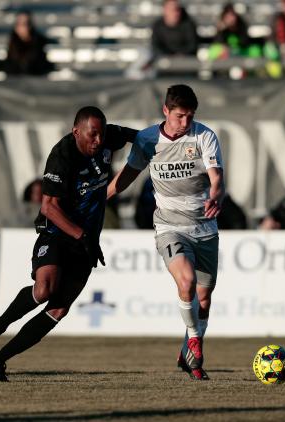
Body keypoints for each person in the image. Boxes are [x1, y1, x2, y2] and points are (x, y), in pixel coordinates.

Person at [0, 107, 137, 381]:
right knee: (45, 289)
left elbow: (139, 137)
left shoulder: (109, 137)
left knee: (59, 309)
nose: (98, 140)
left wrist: (164, 142)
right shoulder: (62, 156)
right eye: (92, 134)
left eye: (101, 134)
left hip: (85, 238)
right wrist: (82, 236)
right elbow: (48, 207)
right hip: (59, 231)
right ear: (76, 132)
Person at [108, 85, 224, 381]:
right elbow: (125, 179)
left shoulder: (204, 135)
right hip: (170, 226)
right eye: (180, 116)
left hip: (204, 227)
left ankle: (187, 350)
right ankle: (196, 344)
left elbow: (216, 178)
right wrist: (95, 200)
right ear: (166, 111)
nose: (185, 123)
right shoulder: (147, 140)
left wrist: (216, 195)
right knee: (186, 282)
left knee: (204, 298)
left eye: (190, 116)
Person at [4, 11, 54, 76]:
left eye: (26, 23)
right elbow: (9, 68)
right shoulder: (12, 43)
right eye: (19, 24)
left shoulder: (40, 42)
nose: (24, 27)